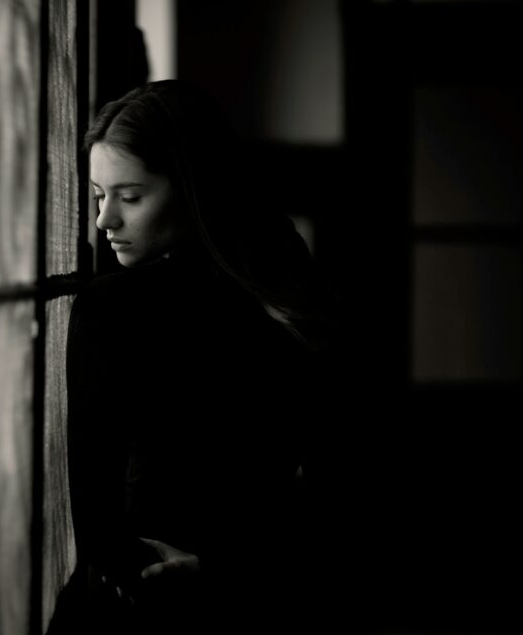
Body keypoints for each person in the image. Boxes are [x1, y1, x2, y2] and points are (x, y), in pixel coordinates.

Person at [50, 80, 342, 634]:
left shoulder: (114, 307)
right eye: (97, 195)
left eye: (129, 197)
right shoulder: (286, 283)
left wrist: (210, 574)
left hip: (164, 603)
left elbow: (95, 518)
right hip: (270, 594)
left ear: (192, 189)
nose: (103, 220)